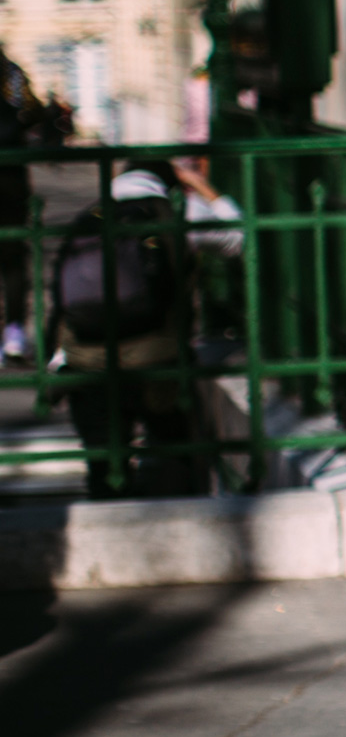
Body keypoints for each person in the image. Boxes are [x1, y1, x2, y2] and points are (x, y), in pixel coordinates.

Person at [51, 163, 203, 499]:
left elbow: (62, 301)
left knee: (104, 461)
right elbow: (238, 237)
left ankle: (106, 525)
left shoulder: (89, 217)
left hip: (87, 361)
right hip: (156, 359)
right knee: (173, 448)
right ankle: (176, 523)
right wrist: (203, 187)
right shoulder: (178, 214)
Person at [0, 41, 69, 365]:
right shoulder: (11, 73)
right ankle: (13, 335)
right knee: (13, 262)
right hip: (10, 179)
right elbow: (34, 112)